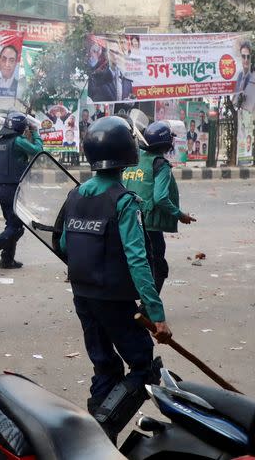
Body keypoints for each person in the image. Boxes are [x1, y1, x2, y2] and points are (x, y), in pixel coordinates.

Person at [58, 116, 171, 442]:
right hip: (115, 300)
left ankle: (92, 441)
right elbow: (139, 261)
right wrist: (156, 313)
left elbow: (65, 245)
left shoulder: (76, 195)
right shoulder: (124, 202)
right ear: (128, 153)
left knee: (105, 367)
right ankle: (103, 429)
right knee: (143, 368)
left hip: (82, 296)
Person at [0, 112, 43, 271]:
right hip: (13, 189)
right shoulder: (18, 141)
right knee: (16, 227)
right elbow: (37, 150)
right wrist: (35, 132)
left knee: (12, 223)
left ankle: (7, 260)